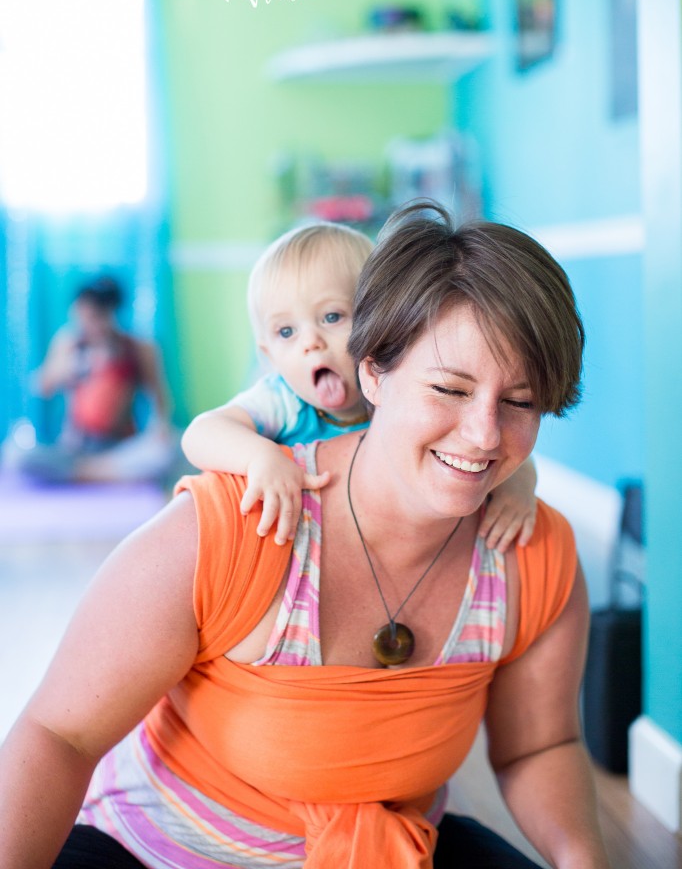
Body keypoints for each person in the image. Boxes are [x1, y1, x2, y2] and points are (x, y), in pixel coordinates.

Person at [0, 200, 611, 869]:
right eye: (449, 389)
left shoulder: (531, 549)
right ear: (373, 370)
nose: (485, 435)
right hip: (162, 853)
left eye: (519, 402)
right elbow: (58, 736)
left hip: (387, 851)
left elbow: (538, 746)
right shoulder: (230, 525)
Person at [181, 220, 538, 551]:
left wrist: (520, 486)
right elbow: (200, 433)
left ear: (380, 327)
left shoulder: (404, 398)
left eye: (332, 317)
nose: (311, 342)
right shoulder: (281, 400)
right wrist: (261, 457)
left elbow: (487, 447)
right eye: (285, 332)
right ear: (269, 356)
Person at [13, 275, 179, 485]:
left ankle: (84, 473)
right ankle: (92, 473)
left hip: (119, 448)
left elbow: (159, 399)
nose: (93, 321)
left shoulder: (138, 348)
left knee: (170, 449)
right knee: (17, 456)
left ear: (113, 313)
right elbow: (41, 387)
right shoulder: (68, 343)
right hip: (75, 448)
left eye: (99, 314)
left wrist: (161, 427)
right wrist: (70, 366)